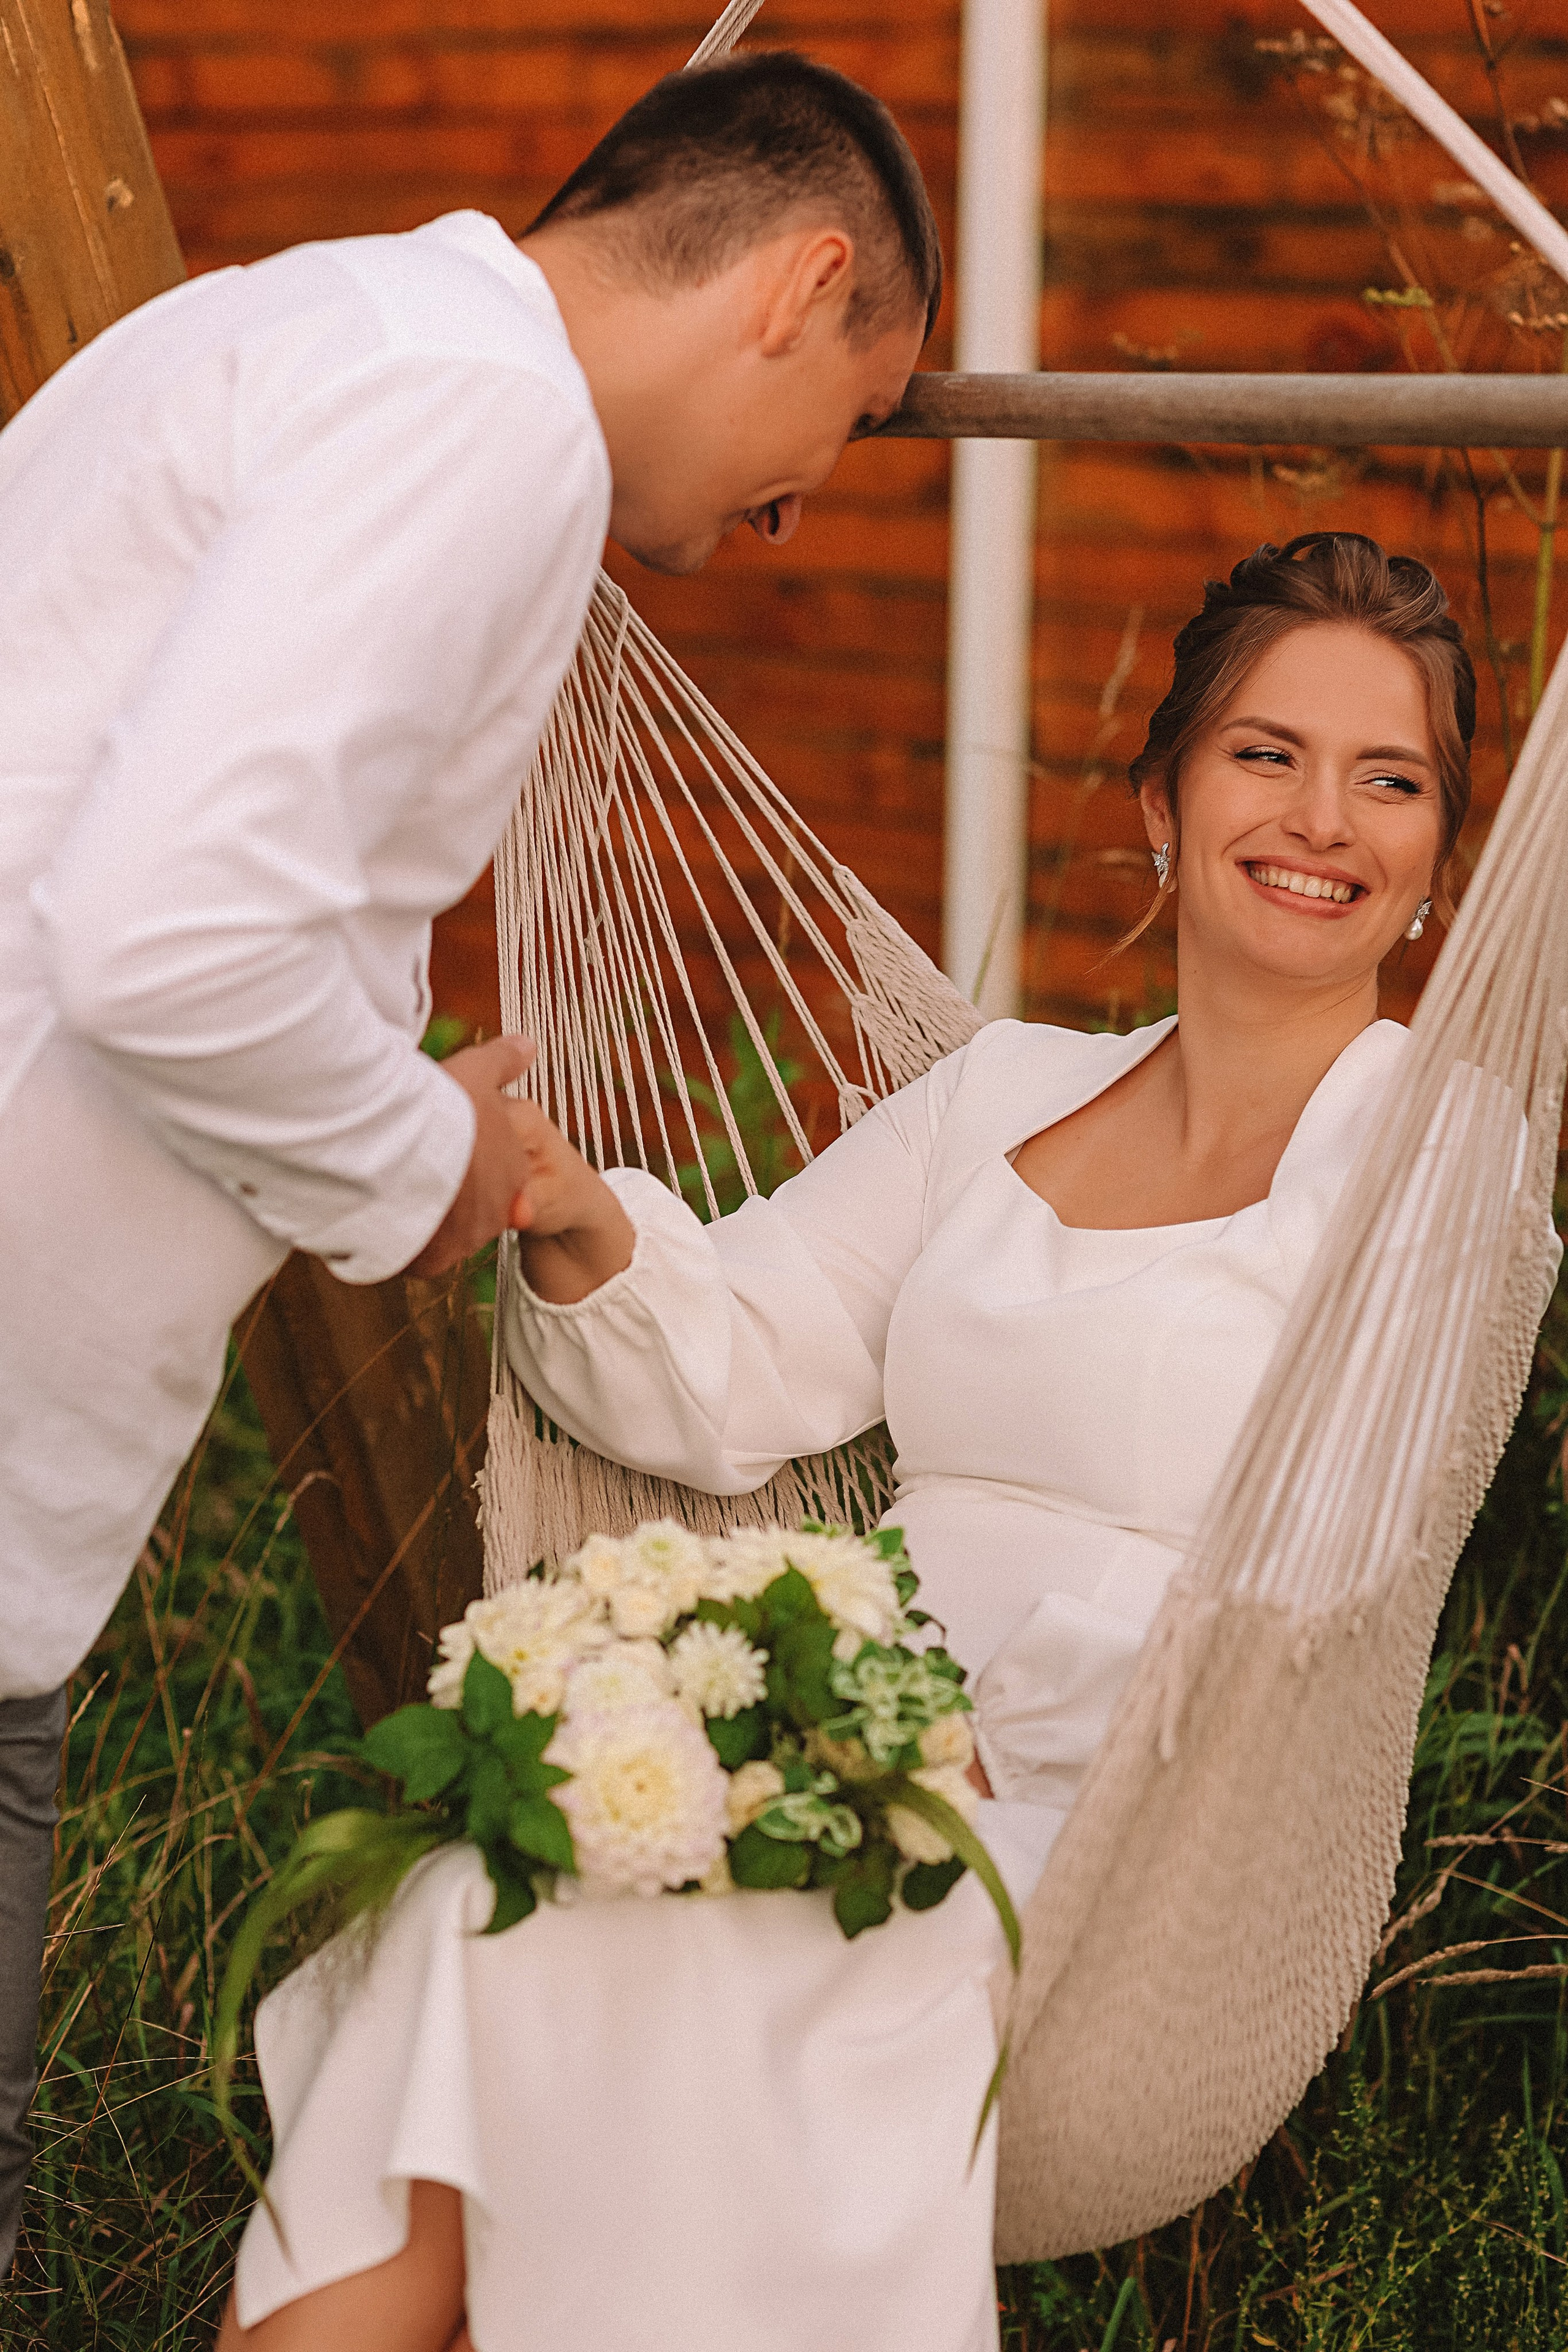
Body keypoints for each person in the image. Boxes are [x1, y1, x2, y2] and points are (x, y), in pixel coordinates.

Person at [217, 532, 1478, 2352]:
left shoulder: (1444, 1165)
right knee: (486, 1914)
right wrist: (571, 1202)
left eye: (1394, 779)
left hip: (1144, 1843)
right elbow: (739, 1356)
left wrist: (978, 1753)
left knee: (643, 1956)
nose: (1325, 819)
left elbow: (1342, 1563)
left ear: (1444, 865)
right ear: (1163, 799)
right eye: (1266, 755)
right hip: (850, 1739)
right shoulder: (1005, 1092)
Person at [0, 53, 943, 2282]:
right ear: (802, 289)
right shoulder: (487, 423)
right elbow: (165, 936)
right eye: (846, 437)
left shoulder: (286, 324)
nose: (794, 515)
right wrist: (431, 1159)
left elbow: (141, 857)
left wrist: (404, 1092)